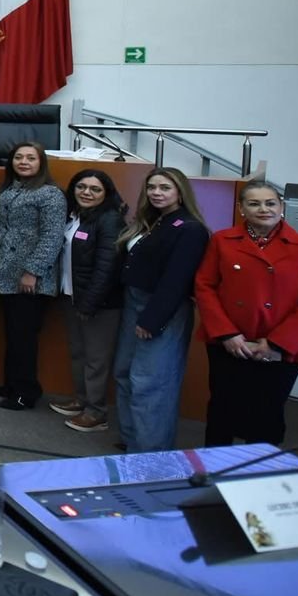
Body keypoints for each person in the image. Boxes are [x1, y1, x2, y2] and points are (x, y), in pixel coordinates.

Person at [195, 181, 298, 446]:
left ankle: (258, 469)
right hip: (230, 344)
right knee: (222, 411)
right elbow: (205, 286)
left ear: (281, 207)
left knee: (266, 415)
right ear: (241, 209)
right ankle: (215, 466)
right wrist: (227, 334)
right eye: (254, 203)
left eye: (270, 203)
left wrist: (275, 344)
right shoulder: (222, 241)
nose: (263, 209)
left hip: (281, 349)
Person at [113, 167, 211, 452]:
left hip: (160, 310)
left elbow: (176, 280)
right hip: (133, 303)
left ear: (180, 192)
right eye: (152, 187)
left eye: (165, 188)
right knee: (124, 373)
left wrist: (152, 320)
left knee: (151, 384)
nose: (156, 193)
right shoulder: (152, 220)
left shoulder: (190, 229)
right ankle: (132, 442)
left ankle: (150, 455)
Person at [0, 141, 67, 412]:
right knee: (14, 333)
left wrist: (32, 271)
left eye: (31, 158)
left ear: (41, 163)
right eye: (19, 157)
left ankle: (25, 392)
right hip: (7, 274)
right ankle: (11, 384)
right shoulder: (10, 189)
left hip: (31, 279)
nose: (24, 162)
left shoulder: (50, 194)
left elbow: (52, 237)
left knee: (24, 337)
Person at [48, 170, 127, 433]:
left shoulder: (110, 220)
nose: (87, 193)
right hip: (72, 295)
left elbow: (107, 267)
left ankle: (97, 412)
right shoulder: (75, 216)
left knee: (96, 359)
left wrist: (90, 302)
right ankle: (82, 401)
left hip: (99, 303)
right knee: (79, 352)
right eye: (81, 187)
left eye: (95, 189)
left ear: (107, 193)